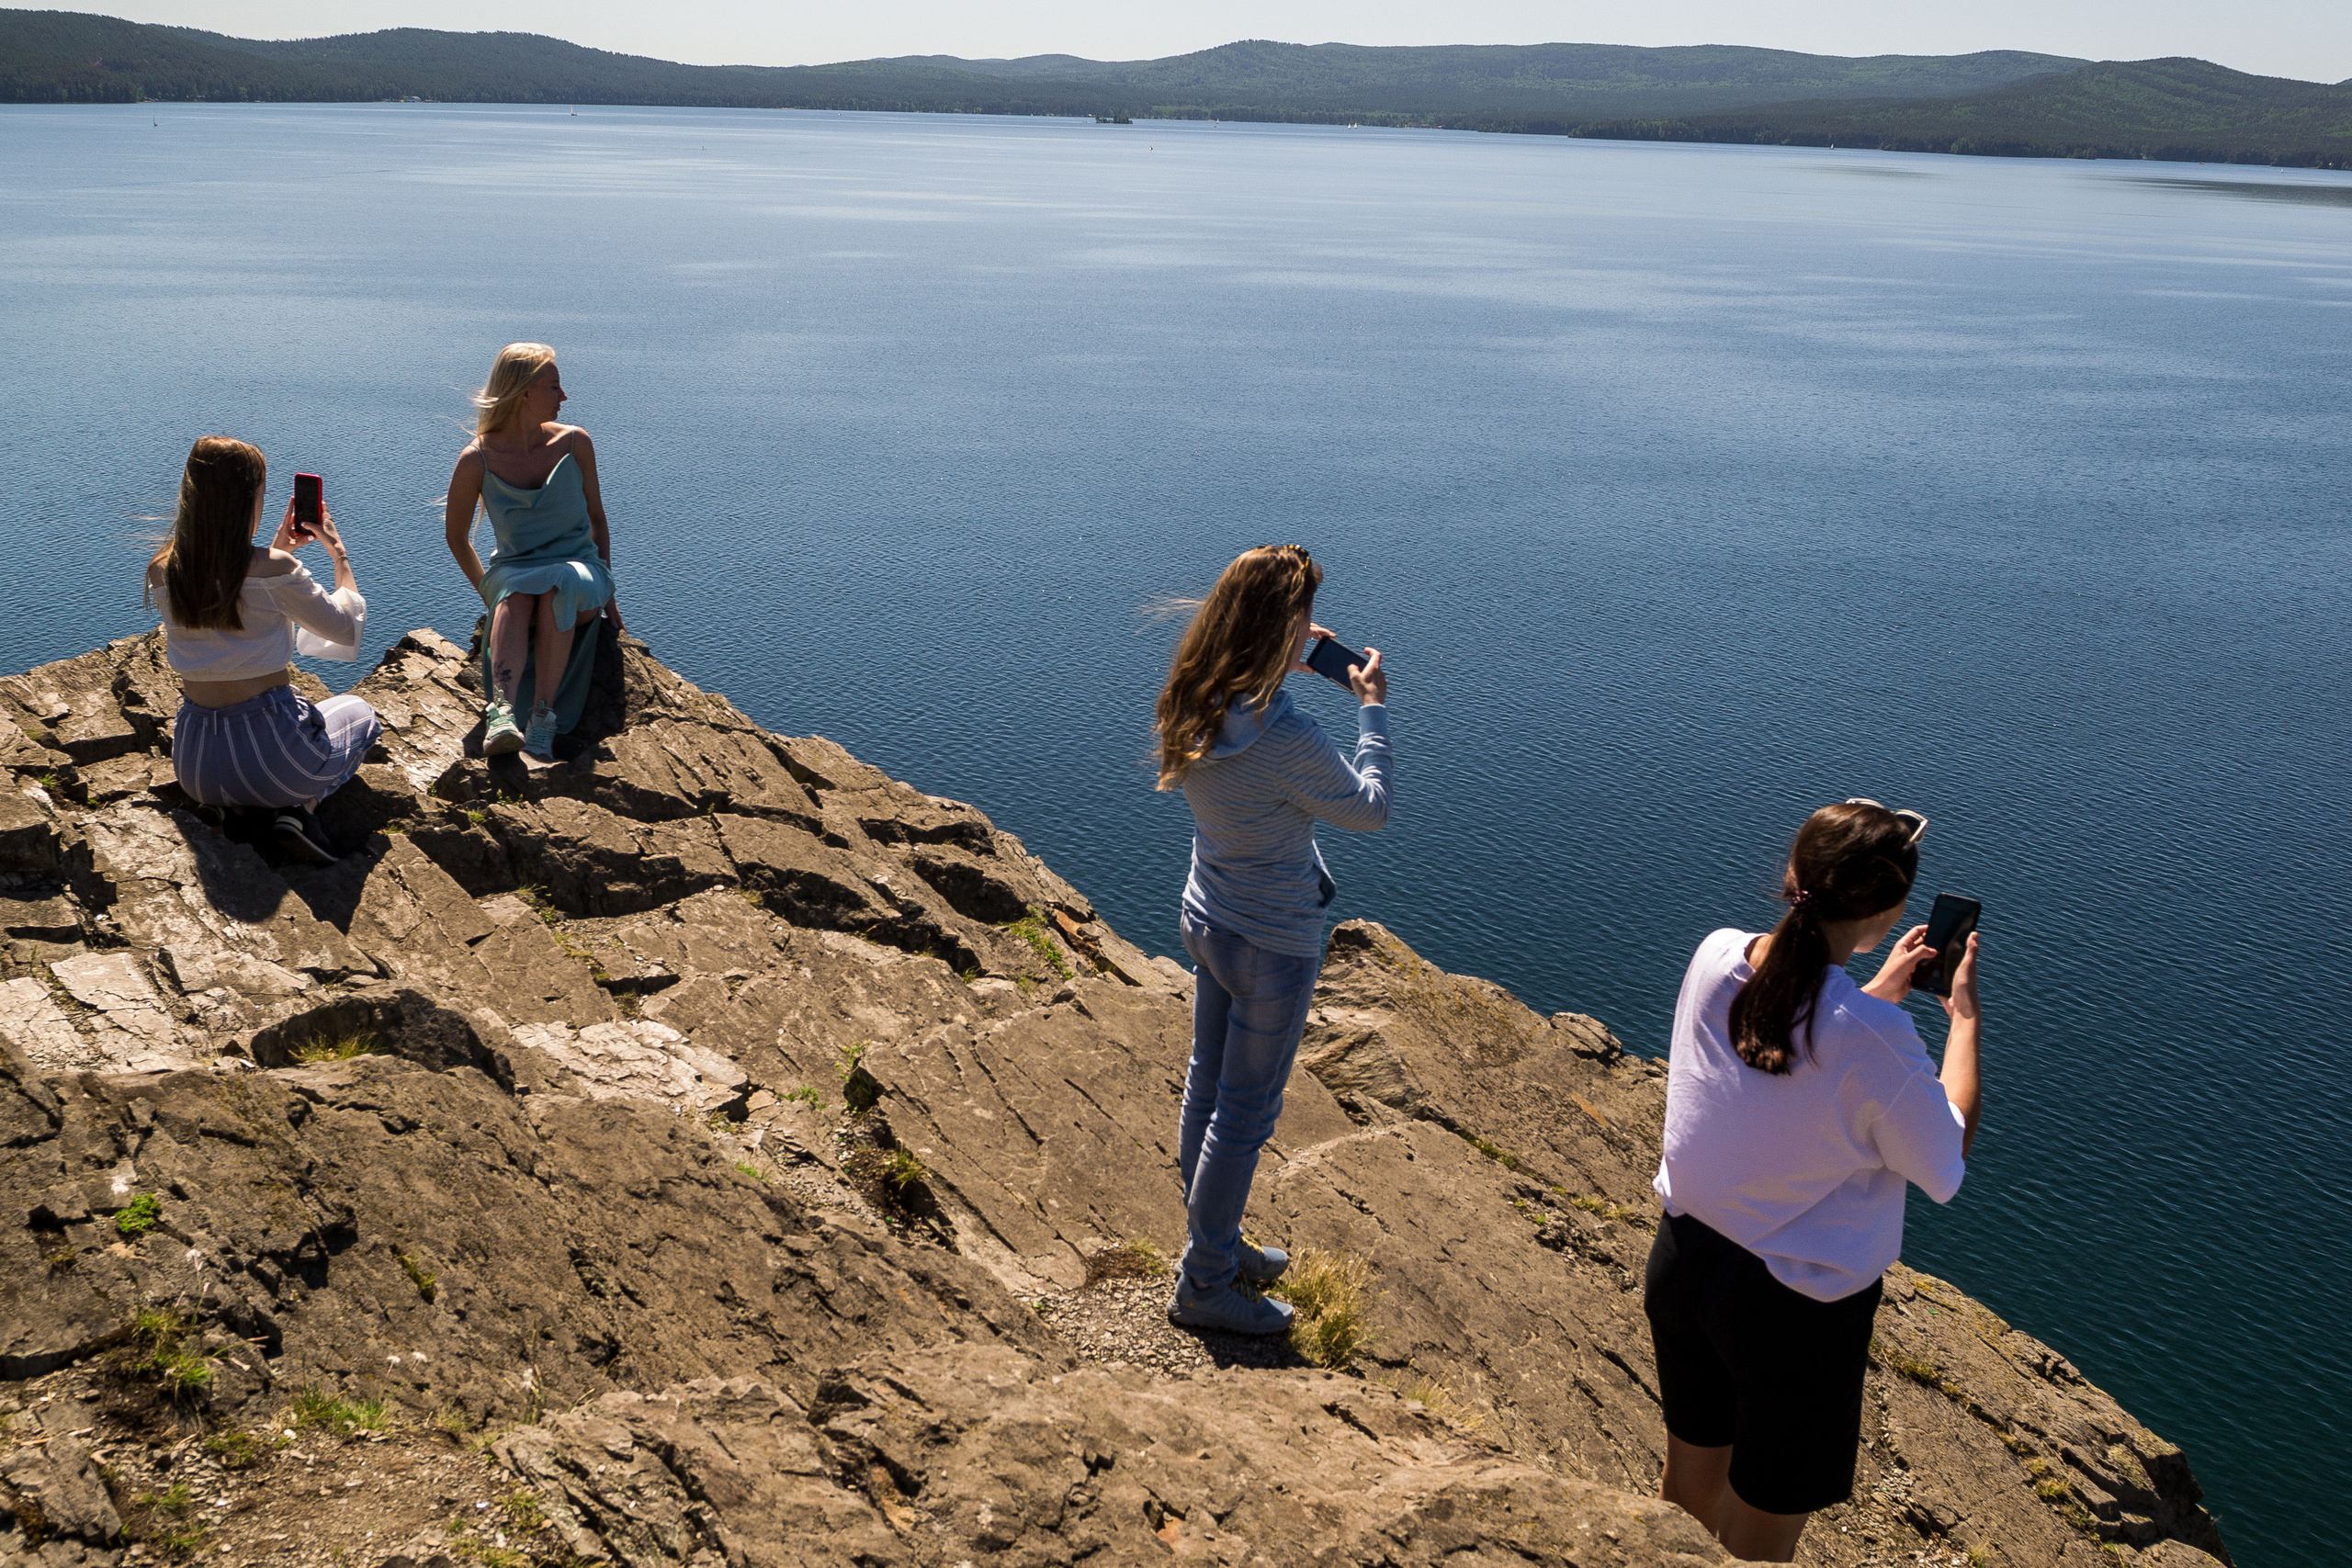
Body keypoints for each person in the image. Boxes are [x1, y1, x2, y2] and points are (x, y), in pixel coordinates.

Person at [1645, 799, 1983, 1562]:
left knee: (1686, 1493)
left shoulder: (1717, 953)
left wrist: (1876, 992)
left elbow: (1787, 1053)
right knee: (1759, 1541)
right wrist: (1962, 1021)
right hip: (1790, 1318)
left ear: (1794, 875)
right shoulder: (1872, 1039)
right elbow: (1945, 1163)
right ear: (1890, 911)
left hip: (1685, 1264)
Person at [1153, 544, 1392, 1335]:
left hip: (1208, 916)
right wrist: (1371, 709)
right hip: (1271, 943)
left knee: (1206, 1085)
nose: (1312, 632)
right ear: (1276, 629)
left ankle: (1212, 1238)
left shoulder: (1196, 694)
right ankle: (1207, 1279)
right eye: (1300, 622)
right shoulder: (1282, 736)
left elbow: (1244, 763)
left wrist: (1278, 662)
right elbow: (1369, 808)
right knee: (1244, 1116)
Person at [146, 436, 380, 864]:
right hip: (273, 757)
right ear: (248, 500)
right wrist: (338, 554)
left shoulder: (164, 570)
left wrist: (279, 550)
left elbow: (233, 589)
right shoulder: (276, 569)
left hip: (196, 764)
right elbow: (343, 629)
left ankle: (225, 812)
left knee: (237, 771)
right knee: (361, 714)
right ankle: (297, 811)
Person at [443, 343, 623, 761]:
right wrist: (489, 592)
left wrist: (609, 593)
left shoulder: (576, 443)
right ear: (524, 393)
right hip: (515, 572)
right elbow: (456, 537)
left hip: (579, 570)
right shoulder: (476, 460)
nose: (564, 396)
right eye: (554, 386)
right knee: (517, 592)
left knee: (560, 583)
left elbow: (598, 519)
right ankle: (502, 716)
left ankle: (543, 717)